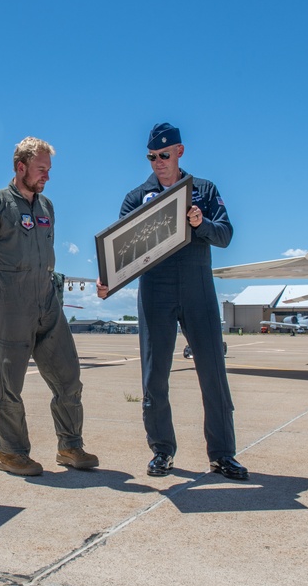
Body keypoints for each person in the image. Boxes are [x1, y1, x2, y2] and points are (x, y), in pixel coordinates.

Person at [97, 122, 248, 480]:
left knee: (213, 372)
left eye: (164, 155)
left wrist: (202, 222)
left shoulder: (205, 191)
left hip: (198, 289)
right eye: (151, 157)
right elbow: (123, 255)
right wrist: (108, 285)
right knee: (155, 378)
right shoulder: (136, 198)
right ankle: (162, 451)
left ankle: (222, 455)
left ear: (180, 151)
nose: (158, 162)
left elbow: (225, 235)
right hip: (156, 291)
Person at [0, 137, 98, 476]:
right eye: (41, 170)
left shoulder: (46, 207)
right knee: (8, 385)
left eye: (49, 171)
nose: (47, 177)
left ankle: (70, 446)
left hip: (47, 300)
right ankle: (10, 453)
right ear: (20, 167)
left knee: (69, 375)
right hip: (10, 303)